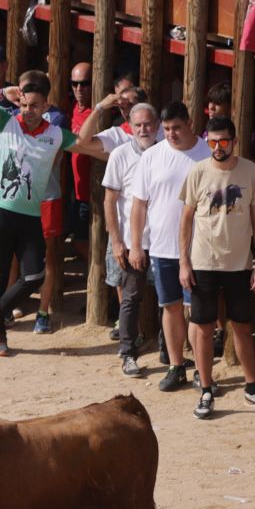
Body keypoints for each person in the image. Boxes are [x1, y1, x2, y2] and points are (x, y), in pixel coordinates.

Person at [174, 116, 255, 419]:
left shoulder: (250, 170)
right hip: (203, 262)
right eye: (212, 142)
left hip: (239, 264)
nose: (218, 147)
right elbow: (185, 220)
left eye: (223, 141)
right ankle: (206, 389)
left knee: (243, 327)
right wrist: (184, 262)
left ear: (234, 141)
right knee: (204, 328)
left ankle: (252, 387)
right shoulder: (197, 171)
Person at [0, 72, 74, 355]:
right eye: (25, 105)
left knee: (34, 275)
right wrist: (5, 92)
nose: (28, 111)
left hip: (30, 215)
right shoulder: (8, 122)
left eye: (35, 105)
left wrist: (100, 112)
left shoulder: (55, 133)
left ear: (46, 105)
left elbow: (85, 144)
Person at [126, 101, 210, 389]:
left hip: (199, 248)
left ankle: (201, 369)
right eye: (167, 129)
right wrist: (136, 244)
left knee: (197, 312)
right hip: (162, 246)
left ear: (190, 124)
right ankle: (176, 366)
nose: (171, 134)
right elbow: (139, 204)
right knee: (170, 307)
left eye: (176, 128)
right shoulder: (152, 156)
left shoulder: (206, 154)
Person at [77, 96, 157, 375]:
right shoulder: (120, 154)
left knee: (169, 301)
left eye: (148, 124)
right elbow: (109, 200)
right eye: (138, 125)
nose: (143, 129)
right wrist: (117, 241)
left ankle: (172, 358)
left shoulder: (167, 152)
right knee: (130, 299)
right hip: (134, 241)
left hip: (164, 242)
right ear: (130, 127)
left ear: (157, 125)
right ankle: (127, 353)